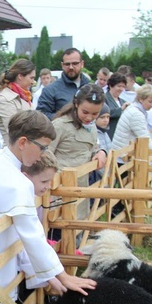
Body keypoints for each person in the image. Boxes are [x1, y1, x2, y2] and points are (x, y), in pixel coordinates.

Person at [0, 110, 97, 304]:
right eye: (42, 148)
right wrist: (62, 275)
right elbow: (32, 233)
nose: (43, 154)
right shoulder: (17, 182)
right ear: (23, 142)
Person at [50, 84, 106, 219]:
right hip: (60, 188)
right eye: (85, 112)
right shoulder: (60, 125)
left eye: (95, 114)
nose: (89, 117)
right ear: (76, 104)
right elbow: (45, 153)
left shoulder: (91, 127)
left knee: (79, 223)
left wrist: (100, 152)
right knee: (60, 227)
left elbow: (92, 148)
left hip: (81, 186)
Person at [37, 48, 91, 119]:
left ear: (82, 64)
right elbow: (41, 116)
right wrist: (67, 118)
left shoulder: (90, 88)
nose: (71, 67)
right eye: (67, 64)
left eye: (75, 63)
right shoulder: (50, 90)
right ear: (62, 65)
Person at [0, 59, 36, 145]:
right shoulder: (6, 100)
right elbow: (14, 131)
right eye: (31, 78)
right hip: (15, 152)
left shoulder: (24, 96)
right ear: (20, 76)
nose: (33, 82)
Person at [112, 85, 152, 152]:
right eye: (150, 101)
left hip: (123, 151)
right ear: (141, 99)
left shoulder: (133, 109)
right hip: (123, 154)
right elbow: (143, 136)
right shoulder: (136, 114)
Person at [104, 72, 128, 140]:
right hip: (109, 135)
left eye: (123, 86)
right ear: (111, 85)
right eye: (119, 86)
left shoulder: (123, 101)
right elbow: (105, 113)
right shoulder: (103, 98)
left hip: (121, 137)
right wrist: (121, 109)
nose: (121, 89)